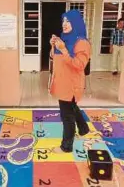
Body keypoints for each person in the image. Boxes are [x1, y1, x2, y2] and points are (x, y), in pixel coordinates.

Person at [49, 10, 91, 153]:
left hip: (71, 84)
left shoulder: (82, 43)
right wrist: (54, 46)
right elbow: (54, 58)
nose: (64, 24)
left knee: (67, 115)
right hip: (61, 82)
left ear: (76, 23)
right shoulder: (65, 39)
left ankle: (66, 147)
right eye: (63, 21)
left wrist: (64, 50)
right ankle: (84, 128)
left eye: (68, 21)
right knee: (72, 107)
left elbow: (79, 65)